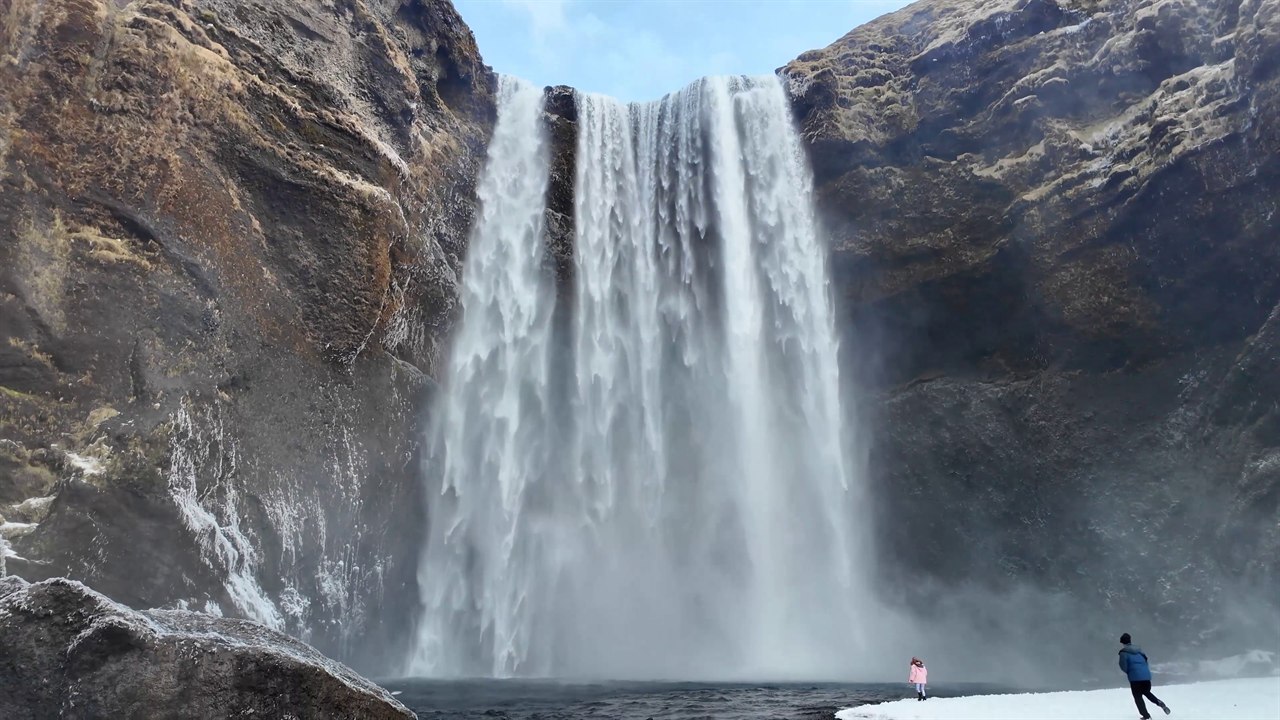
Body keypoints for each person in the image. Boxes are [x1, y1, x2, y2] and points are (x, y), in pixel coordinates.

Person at [1118, 633, 1171, 719]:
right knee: (1146, 692)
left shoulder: (1123, 653)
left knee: (1138, 697)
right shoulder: (1140, 651)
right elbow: (1146, 660)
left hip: (1135, 679)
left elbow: (1123, 666)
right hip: (1146, 677)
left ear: (1122, 642)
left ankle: (1146, 716)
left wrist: (1130, 672)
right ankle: (1159, 702)